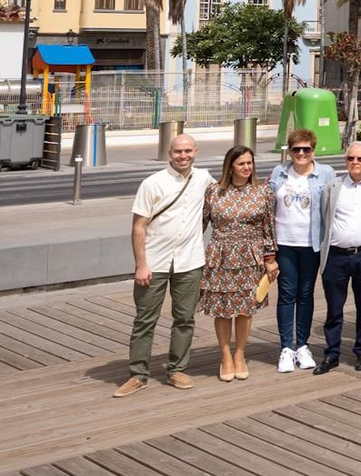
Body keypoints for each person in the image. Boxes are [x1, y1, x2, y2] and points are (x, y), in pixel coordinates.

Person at [117, 134, 215, 396]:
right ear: (169, 153)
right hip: (155, 262)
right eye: (177, 152)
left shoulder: (205, 179)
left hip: (190, 260)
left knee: (184, 319)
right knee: (144, 320)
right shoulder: (152, 183)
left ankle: (176, 370)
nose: (183, 156)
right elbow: (138, 227)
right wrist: (141, 265)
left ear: (196, 151)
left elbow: (228, 196)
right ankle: (138, 374)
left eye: (188, 151)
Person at [198, 145, 275, 384]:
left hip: (250, 255)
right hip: (220, 255)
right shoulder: (214, 191)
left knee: (245, 308)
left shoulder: (262, 191)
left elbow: (269, 227)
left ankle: (240, 354)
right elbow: (199, 224)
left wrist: (270, 258)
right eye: (241, 163)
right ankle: (225, 356)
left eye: (250, 163)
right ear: (230, 165)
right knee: (222, 309)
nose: (246, 167)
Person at [269, 128, 335, 373]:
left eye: (305, 149)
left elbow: (333, 206)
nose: (300, 153)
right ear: (290, 150)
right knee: (287, 293)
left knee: (306, 293)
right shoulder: (279, 172)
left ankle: (302, 345)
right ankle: (286, 347)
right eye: (296, 149)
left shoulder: (325, 173)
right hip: (284, 243)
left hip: (311, 244)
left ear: (313, 150)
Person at [317, 144, 361, 374]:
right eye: (350, 158)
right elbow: (323, 218)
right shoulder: (332, 187)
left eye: (360, 158)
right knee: (334, 307)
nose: (354, 162)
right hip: (336, 255)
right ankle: (332, 352)